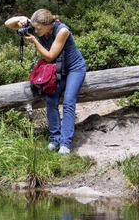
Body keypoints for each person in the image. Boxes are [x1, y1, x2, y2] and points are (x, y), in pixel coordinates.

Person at [5, 10, 87, 154]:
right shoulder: (38, 26)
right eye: (34, 28)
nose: (35, 31)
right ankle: (54, 139)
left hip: (74, 68)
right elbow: (8, 24)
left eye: (38, 29)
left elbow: (49, 56)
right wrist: (22, 19)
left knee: (68, 101)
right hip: (58, 68)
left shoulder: (62, 31)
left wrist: (35, 41)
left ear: (48, 24)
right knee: (50, 99)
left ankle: (65, 143)